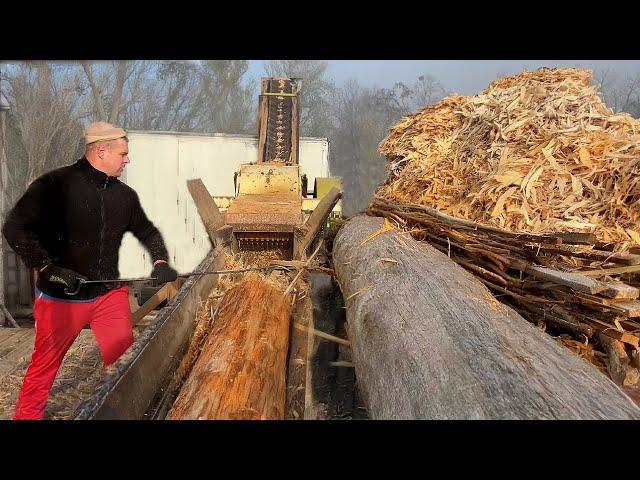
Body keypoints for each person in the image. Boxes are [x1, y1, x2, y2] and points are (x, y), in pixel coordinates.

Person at [2, 121, 178, 420]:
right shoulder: (54, 186)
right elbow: (14, 228)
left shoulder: (125, 196)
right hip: (60, 297)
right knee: (44, 367)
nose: (127, 159)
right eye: (122, 153)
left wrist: (160, 260)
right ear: (101, 151)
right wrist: (48, 266)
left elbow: (147, 231)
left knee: (125, 362)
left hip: (108, 296)